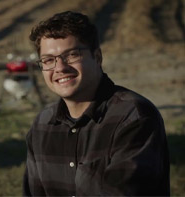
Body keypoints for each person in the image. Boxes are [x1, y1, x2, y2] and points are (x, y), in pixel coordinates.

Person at [23, 11, 170, 196]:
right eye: (49, 60)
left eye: (71, 55)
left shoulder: (133, 117)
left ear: (98, 57)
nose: (59, 68)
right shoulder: (41, 125)